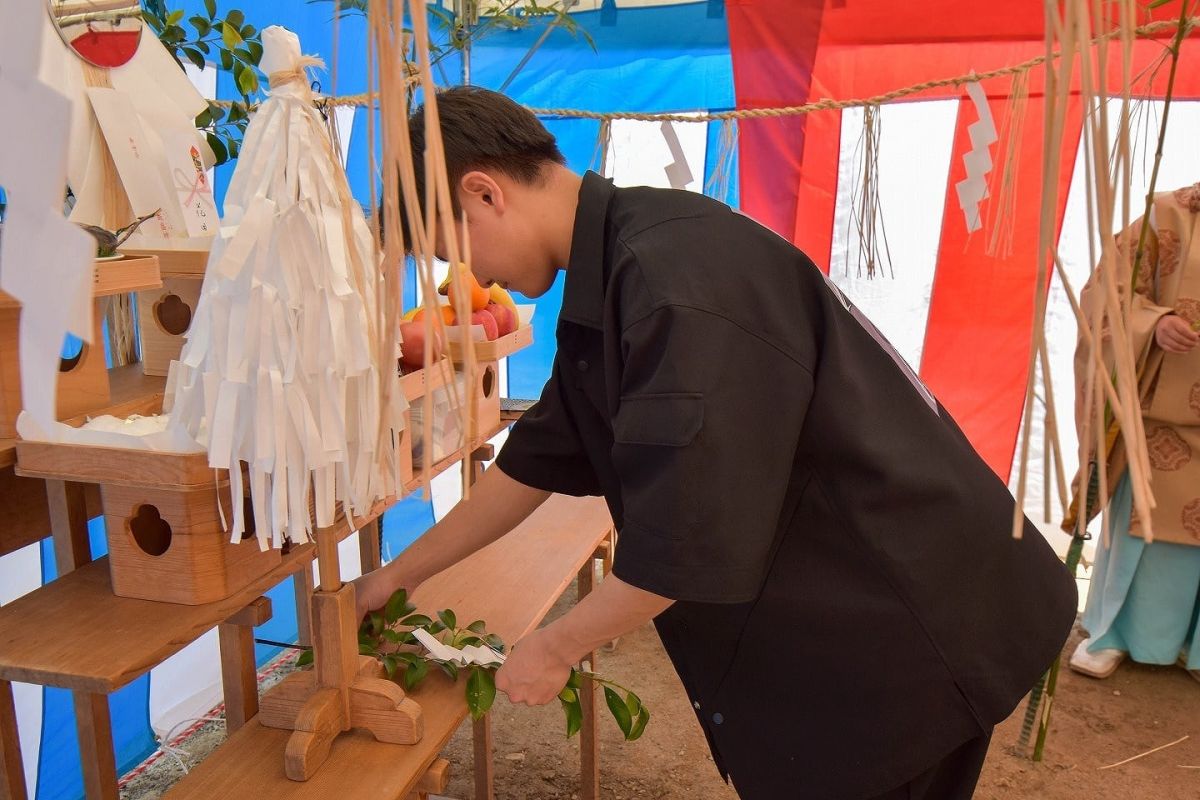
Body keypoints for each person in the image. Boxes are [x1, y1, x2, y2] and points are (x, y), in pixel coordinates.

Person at [354, 86, 1077, 800]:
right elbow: (537, 456)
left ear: (484, 192)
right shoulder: (614, 266)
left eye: (454, 250)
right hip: (863, 602)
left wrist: (555, 646)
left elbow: (686, 541)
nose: (473, 277)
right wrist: (399, 575)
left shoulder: (669, 280)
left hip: (909, 623)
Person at [1067, 182, 1200, 680]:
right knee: (1147, 534)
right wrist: (1154, 322)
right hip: (1158, 417)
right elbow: (1106, 292)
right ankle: (1115, 633)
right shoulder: (1166, 216)